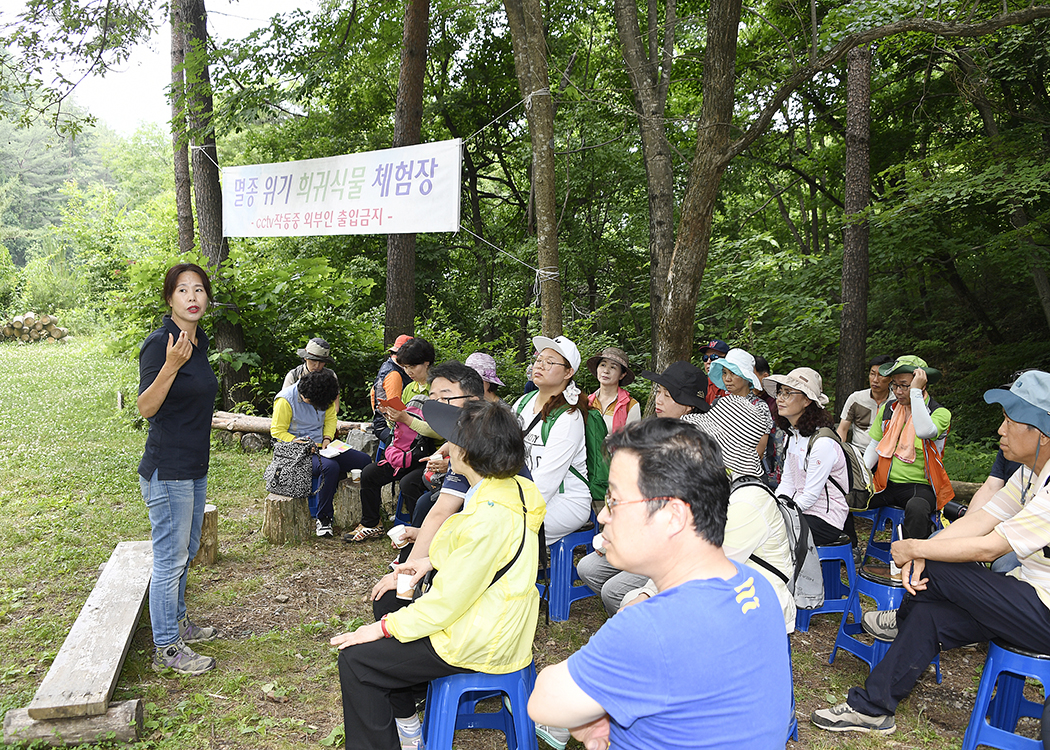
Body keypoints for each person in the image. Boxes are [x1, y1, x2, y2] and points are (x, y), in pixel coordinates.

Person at [528, 419, 792, 749]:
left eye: (614, 500)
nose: (603, 516)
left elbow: (544, 703)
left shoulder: (650, 627)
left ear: (673, 516)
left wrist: (598, 714)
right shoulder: (754, 584)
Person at [812, 370, 1050, 735]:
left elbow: (991, 545)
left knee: (934, 571)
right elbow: (980, 520)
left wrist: (918, 548)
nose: (1000, 430)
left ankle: (898, 616)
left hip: (1043, 613)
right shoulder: (1029, 474)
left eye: (1009, 421)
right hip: (1024, 595)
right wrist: (926, 550)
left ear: (1042, 435)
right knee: (931, 616)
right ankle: (874, 707)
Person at [331, 399, 546, 750]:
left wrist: (381, 629)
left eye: (452, 440)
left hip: (477, 638)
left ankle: (403, 730)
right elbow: (492, 555)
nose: (446, 446)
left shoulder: (488, 517)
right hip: (499, 622)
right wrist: (429, 563)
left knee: (358, 661)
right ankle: (407, 722)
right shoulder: (515, 490)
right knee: (390, 617)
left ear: (467, 453)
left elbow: (447, 603)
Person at [137, 263, 220, 676]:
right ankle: (167, 647)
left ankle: (178, 622)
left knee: (185, 553)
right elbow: (146, 408)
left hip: (193, 467)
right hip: (167, 469)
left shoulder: (199, 339)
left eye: (199, 290)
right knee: (170, 560)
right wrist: (170, 365)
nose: (193, 297)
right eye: (183, 290)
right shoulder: (159, 344)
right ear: (170, 298)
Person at [348, 337, 436, 543]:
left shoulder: (438, 389)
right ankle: (371, 523)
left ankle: (420, 536)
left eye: (413, 366)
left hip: (428, 454)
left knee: (409, 483)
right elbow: (400, 428)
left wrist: (405, 418)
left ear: (427, 363)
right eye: (405, 367)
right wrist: (391, 417)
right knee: (369, 473)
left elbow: (438, 432)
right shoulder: (409, 388)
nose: (409, 371)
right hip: (405, 452)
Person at [271, 368, 371, 537]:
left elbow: (331, 419)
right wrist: (301, 444)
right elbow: (277, 432)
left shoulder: (325, 396)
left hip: (323, 446)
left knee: (364, 461)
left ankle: (369, 514)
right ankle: (323, 519)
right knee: (330, 467)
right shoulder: (285, 399)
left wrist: (327, 438)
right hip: (297, 451)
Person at [512, 336, 591, 546]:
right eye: (539, 360)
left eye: (550, 362)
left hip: (565, 500)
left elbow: (546, 483)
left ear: (568, 372)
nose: (540, 365)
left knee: (507, 527)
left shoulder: (569, 417)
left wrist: (508, 505)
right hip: (523, 492)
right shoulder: (523, 403)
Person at [865, 355, 954, 540]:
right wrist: (862, 476)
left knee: (917, 508)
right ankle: (853, 548)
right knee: (845, 497)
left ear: (922, 384)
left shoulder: (940, 413)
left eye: (904, 385)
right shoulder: (889, 409)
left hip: (920, 487)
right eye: (895, 385)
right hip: (885, 484)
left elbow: (924, 431)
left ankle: (912, 562)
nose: (898, 391)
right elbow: (874, 446)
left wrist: (914, 393)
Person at [764, 367, 855, 547]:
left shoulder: (822, 443)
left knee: (769, 534)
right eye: (780, 392)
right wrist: (774, 506)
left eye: (788, 393)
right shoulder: (793, 436)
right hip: (800, 512)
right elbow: (788, 483)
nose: (780, 398)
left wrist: (781, 513)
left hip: (826, 519)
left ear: (807, 400)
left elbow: (811, 496)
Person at [708, 347, 772, 458]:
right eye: (724, 373)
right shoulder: (719, 404)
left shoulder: (759, 407)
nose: (727, 378)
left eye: (733, 373)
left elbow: (759, 451)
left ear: (746, 377)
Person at [836, 354, 894, 460]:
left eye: (881, 375)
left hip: (887, 454)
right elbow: (843, 429)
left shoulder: (896, 401)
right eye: (872, 374)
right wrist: (839, 453)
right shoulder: (856, 398)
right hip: (858, 453)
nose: (875, 380)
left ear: (891, 378)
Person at [586, 346, 640, 432]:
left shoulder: (630, 405)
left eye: (613, 367)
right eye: (603, 365)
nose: (606, 371)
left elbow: (632, 442)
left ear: (622, 375)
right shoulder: (587, 402)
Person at [369, 334, 411, 445]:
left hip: (381, 422)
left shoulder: (387, 366)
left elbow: (372, 392)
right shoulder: (395, 374)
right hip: (386, 425)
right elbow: (395, 407)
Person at [639, 360, 710, 419]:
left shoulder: (691, 434)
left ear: (690, 406)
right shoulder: (652, 429)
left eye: (667, 395)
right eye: (658, 391)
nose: (658, 401)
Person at [699, 339, 730, 404]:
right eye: (705, 358)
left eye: (714, 357)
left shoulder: (737, 384)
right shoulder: (701, 385)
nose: (708, 361)